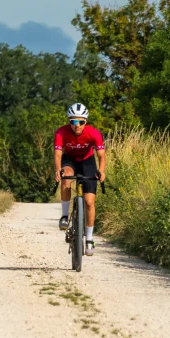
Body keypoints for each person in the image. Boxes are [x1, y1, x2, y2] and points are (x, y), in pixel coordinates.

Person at [54, 103, 106, 256]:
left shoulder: (94, 133)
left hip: (87, 161)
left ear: (86, 122)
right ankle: (64, 215)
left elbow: (101, 156)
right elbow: (57, 155)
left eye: (81, 122)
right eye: (73, 122)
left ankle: (89, 238)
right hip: (69, 160)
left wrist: (101, 171)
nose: (77, 125)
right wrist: (58, 170)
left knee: (90, 201)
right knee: (66, 178)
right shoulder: (61, 133)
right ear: (69, 121)